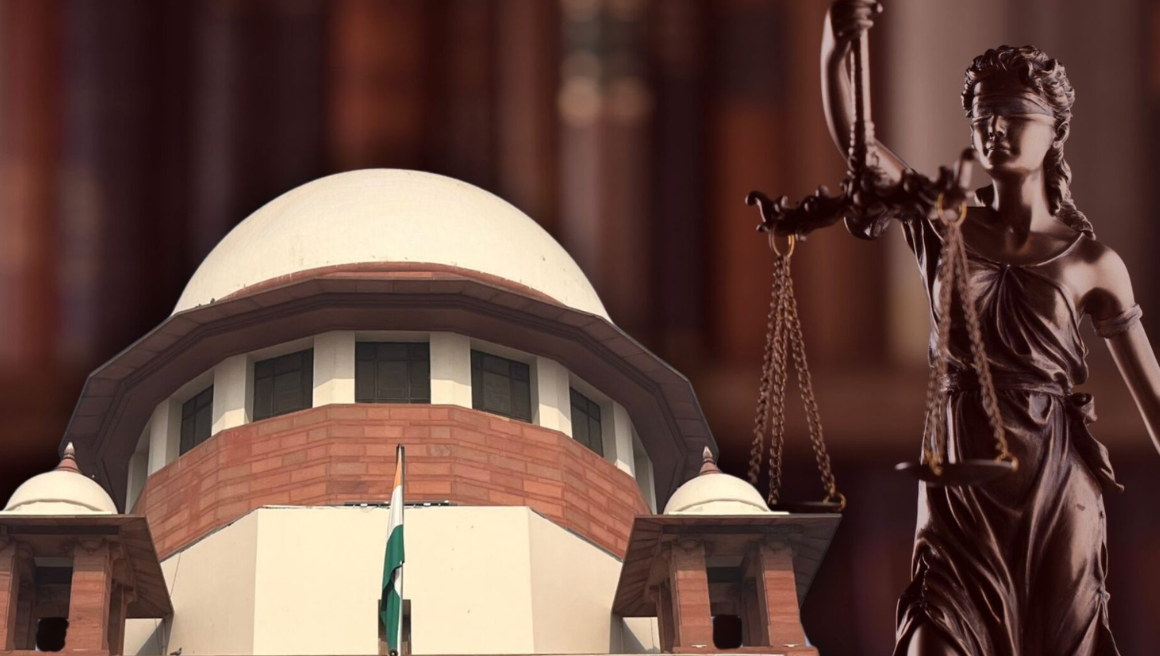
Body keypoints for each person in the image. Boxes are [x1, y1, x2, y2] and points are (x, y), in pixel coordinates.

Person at [820, 2, 1160, 655]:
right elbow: (863, 152)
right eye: (982, 119)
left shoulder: (1092, 263)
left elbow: (1154, 399)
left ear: (1055, 130)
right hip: (960, 490)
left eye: (1012, 116)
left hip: (1055, 494)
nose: (993, 130)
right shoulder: (940, 221)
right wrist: (837, 46)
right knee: (934, 640)